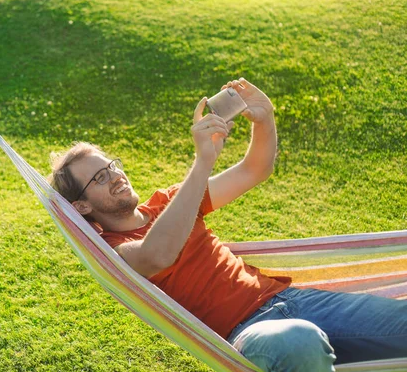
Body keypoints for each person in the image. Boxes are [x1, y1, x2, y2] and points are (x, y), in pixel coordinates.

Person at [48, 78, 407, 372]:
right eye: (98, 177)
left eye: (111, 165)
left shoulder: (170, 201)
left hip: (291, 300)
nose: (114, 176)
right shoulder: (111, 250)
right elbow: (157, 255)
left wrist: (264, 120)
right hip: (249, 332)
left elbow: (255, 169)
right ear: (80, 204)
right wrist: (202, 161)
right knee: (298, 341)